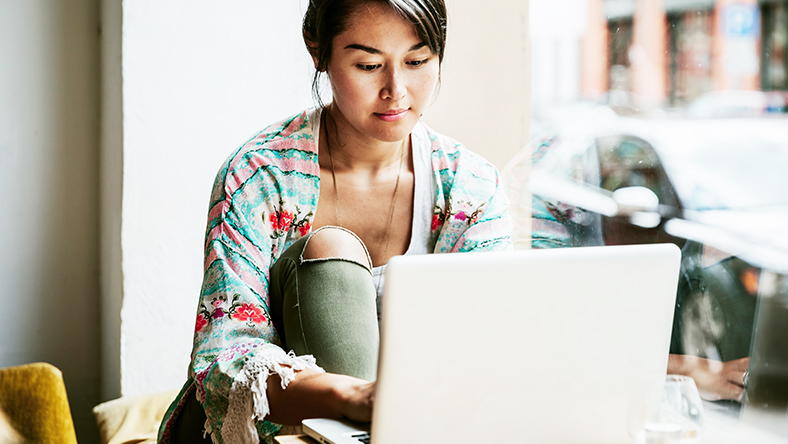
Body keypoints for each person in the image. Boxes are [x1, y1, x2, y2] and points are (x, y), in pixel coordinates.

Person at [157, 1, 513, 443]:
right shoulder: (260, 177)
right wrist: (353, 396)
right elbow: (224, 360)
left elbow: (484, 347)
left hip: (405, 429)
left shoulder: (471, 188)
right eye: (367, 65)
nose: (396, 90)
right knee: (333, 252)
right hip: (245, 432)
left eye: (417, 61)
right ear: (319, 52)